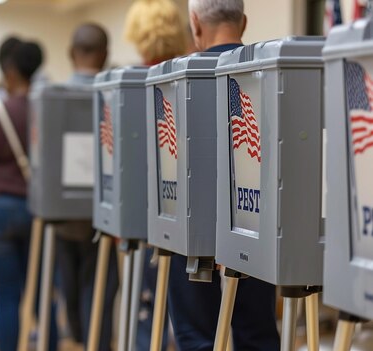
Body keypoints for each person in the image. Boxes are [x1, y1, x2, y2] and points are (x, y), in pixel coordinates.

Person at [161, 1, 281, 350]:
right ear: (243, 21)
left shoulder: (174, 80)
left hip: (191, 241)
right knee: (256, 338)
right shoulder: (267, 72)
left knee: (197, 339)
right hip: (256, 229)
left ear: (195, 24)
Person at [0, 38, 58, 351]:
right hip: (38, 209)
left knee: (7, 296)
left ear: (10, 71)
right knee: (40, 295)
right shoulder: (47, 111)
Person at [124, 1, 186, 349]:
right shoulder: (186, 77)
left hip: (144, 212)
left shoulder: (134, 83)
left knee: (146, 305)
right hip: (183, 212)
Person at [53, 23, 119, 351]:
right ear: (106, 55)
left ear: (69, 53)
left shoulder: (53, 97)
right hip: (105, 212)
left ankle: (77, 335)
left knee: (68, 280)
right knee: (102, 288)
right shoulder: (116, 96)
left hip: (62, 214)